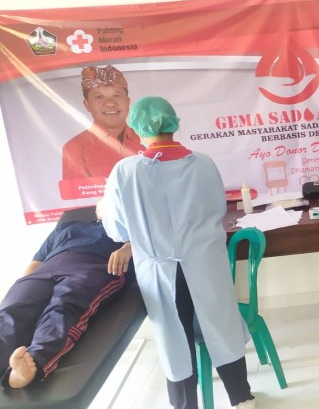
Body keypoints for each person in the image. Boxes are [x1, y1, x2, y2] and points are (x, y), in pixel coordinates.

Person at [101, 96, 255, 409]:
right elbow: (217, 209)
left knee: (176, 340)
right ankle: (242, 398)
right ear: (174, 123)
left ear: (137, 128)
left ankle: (185, 405)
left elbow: (117, 230)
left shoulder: (125, 172)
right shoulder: (203, 163)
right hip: (205, 264)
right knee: (222, 327)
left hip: (160, 272)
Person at [0, 202, 130, 397]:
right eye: (105, 200)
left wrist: (129, 247)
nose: (108, 202)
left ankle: (32, 365)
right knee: (10, 314)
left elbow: (151, 247)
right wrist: (22, 287)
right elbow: (37, 261)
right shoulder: (67, 227)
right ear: (97, 209)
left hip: (94, 267)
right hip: (46, 269)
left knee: (63, 307)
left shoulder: (130, 231)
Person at [62, 65, 143, 180]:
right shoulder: (75, 148)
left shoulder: (148, 140)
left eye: (116, 95)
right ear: (87, 105)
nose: (110, 103)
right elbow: (77, 191)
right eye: (99, 97)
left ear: (128, 101)